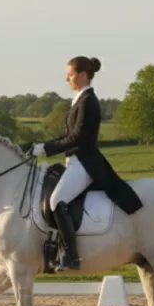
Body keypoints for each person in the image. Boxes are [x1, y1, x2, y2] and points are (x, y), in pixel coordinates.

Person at [32, 56, 144, 271]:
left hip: (85, 163)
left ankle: (72, 255)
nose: (67, 79)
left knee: (57, 201)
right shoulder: (79, 99)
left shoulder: (88, 101)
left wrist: (47, 149)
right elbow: (68, 135)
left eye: (70, 75)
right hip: (74, 161)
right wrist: (43, 145)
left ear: (83, 75)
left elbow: (76, 138)